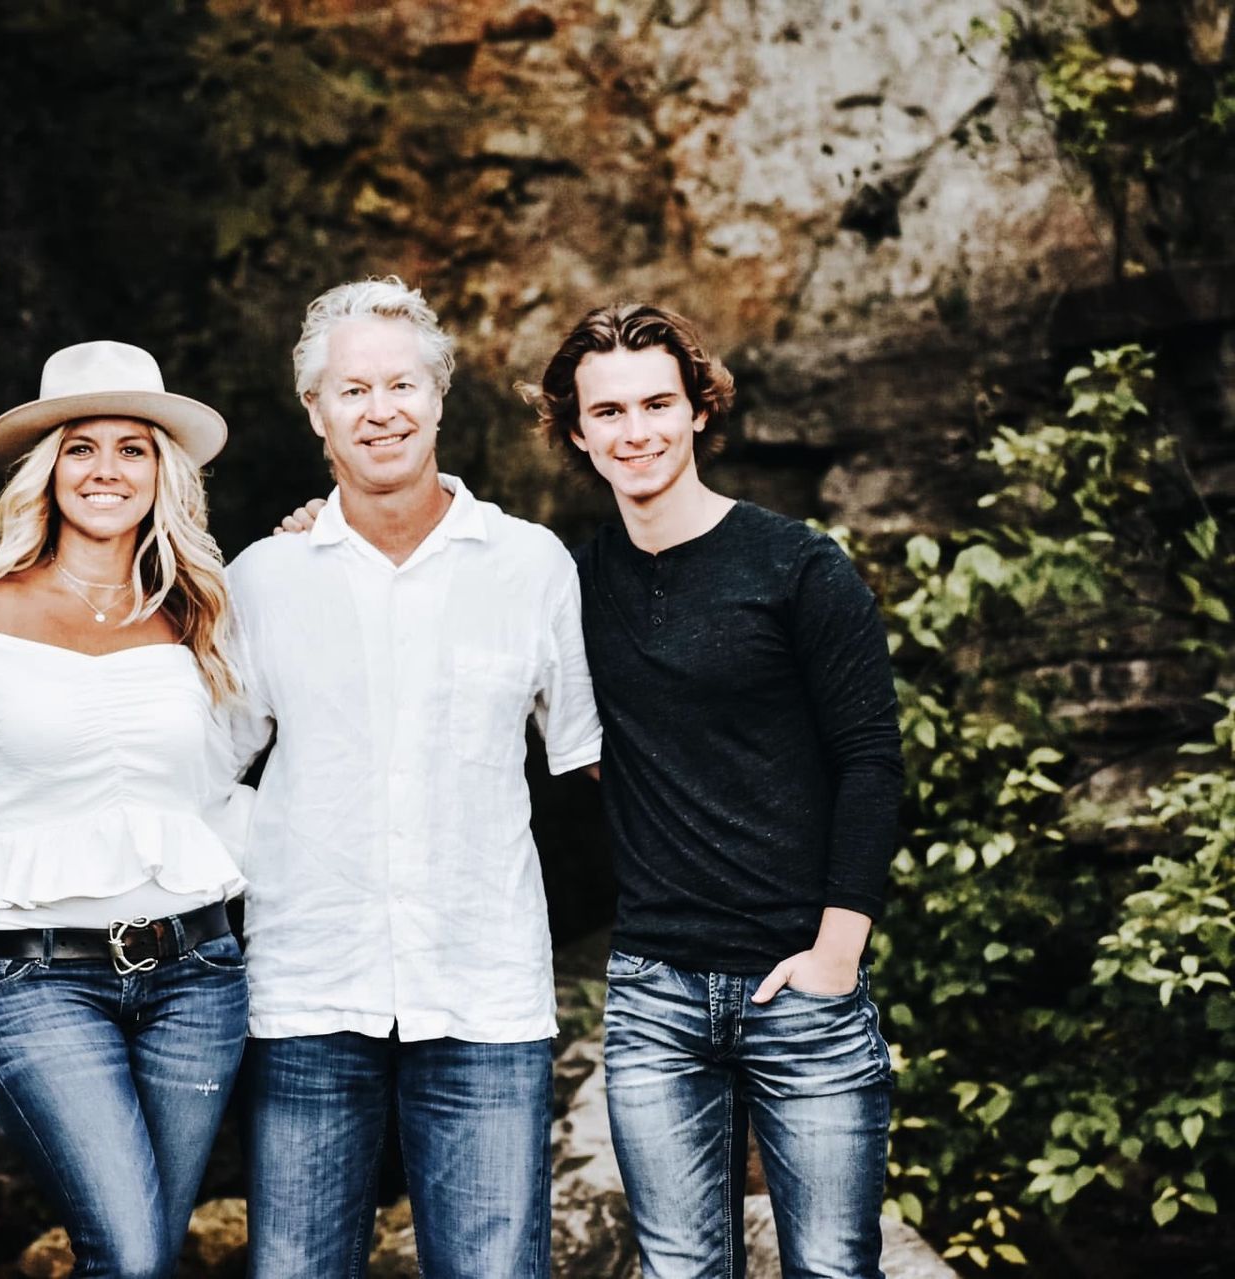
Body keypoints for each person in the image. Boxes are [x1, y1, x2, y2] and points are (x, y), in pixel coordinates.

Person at [226, 277, 605, 1278]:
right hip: (309, 989)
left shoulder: (530, 567)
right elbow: (201, 768)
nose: (380, 409)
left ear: (440, 397)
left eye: (401, 384)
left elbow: (602, 757)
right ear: (315, 412)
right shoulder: (262, 579)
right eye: (352, 390)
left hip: (482, 991)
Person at [534, 302, 903, 1279]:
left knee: (830, 1268)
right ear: (577, 431)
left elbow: (871, 760)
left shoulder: (798, 566)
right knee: (682, 1271)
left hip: (802, 985)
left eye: (658, 402)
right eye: (607, 411)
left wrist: (836, 954)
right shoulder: (566, 587)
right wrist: (327, 525)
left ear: (699, 409)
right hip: (657, 991)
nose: (636, 429)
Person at [0, 340, 249, 1279]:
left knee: (141, 1255)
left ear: (163, 472)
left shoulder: (200, 612)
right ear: (45, 470)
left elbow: (230, 781)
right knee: (135, 1255)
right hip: (38, 979)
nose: (107, 469)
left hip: (199, 976)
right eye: (80, 447)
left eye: (133, 448)